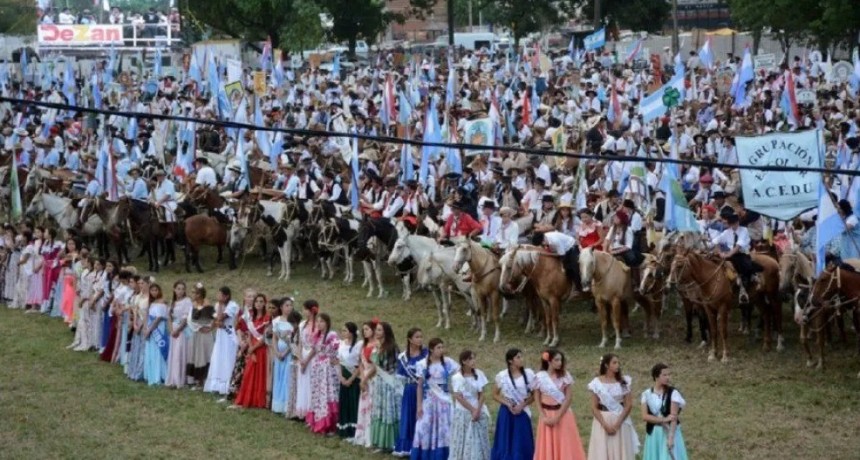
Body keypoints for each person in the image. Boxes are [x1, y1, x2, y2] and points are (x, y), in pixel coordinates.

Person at [411, 337, 460, 459]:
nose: (441, 350)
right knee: (425, 427)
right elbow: (420, 387)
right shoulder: (422, 364)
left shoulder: (448, 362)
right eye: (439, 347)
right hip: (429, 402)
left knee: (444, 428)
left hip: (444, 401)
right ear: (431, 349)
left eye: (442, 347)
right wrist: (419, 406)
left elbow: (460, 374)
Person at [533, 349, 587, 460]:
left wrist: (557, 417)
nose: (560, 363)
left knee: (564, 442)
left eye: (561, 360)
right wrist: (543, 416)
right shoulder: (539, 377)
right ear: (549, 361)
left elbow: (568, 398)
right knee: (547, 443)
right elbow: (537, 397)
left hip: (562, 415)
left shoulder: (565, 376)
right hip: (546, 415)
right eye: (556, 360)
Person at [587, 353, 639, 460]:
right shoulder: (596, 383)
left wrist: (617, 424)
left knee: (621, 449)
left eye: (618, 363)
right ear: (606, 365)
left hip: (620, 420)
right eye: (614, 363)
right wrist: (605, 425)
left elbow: (628, 404)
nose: (617, 365)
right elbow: (594, 407)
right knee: (603, 450)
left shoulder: (624, 381)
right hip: (603, 420)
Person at [491, 348, 535, 460]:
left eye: (521, 357)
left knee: (521, 440)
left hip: (522, 412)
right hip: (507, 412)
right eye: (518, 357)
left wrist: (522, 405)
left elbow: (534, 395)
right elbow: (495, 395)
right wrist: (507, 404)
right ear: (510, 361)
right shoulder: (502, 376)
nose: (521, 359)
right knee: (505, 440)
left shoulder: (529, 374)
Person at [710, 211, 762, 302]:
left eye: (734, 223)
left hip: (742, 254)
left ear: (738, 222)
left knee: (744, 267)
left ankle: (744, 290)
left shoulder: (744, 230)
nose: (733, 225)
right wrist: (719, 252)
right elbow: (715, 241)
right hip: (729, 254)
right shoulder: (727, 232)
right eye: (731, 223)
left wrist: (728, 254)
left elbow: (738, 246)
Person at [641, 363, 688, 460]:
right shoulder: (646, 394)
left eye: (669, 374)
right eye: (664, 375)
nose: (668, 377)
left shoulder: (673, 393)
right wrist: (663, 419)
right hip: (654, 434)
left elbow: (673, 418)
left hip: (669, 432)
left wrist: (671, 438)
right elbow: (645, 416)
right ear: (656, 376)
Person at [450, 349, 490, 460]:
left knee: (479, 439)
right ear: (464, 361)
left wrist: (478, 409)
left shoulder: (479, 373)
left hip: (478, 410)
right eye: (470, 359)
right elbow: (458, 396)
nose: (473, 361)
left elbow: (482, 394)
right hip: (463, 412)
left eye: (474, 358)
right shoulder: (457, 377)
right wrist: (472, 410)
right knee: (463, 439)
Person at [233, 294, 272, 409]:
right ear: (254, 304)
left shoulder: (267, 318)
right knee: (249, 373)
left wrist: (253, 349)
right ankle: (246, 399)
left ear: (265, 303)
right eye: (257, 301)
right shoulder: (251, 317)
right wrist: (251, 349)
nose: (259, 304)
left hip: (262, 349)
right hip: (253, 348)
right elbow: (250, 334)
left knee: (260, 374)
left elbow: (265, 337)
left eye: (261, 301)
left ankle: (258, 400)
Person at [394, 327, 428, 457]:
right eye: (417, 337)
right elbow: (400, 377)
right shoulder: (403, 357)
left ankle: (421, 446)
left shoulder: (426, 354)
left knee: (422, 417)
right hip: (409, 390)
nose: (420, 339)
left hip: (423, 390)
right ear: (410, 339)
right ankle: (408, 447)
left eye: (421, 337)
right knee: (409, 417)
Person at [304, 312, 340, 432]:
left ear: (327, 323)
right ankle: (317, 419)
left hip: (328, 370)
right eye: (318, 322)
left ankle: (329, 423)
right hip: (318, 369)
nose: (319, 324)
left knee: (328, 393)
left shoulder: (332, 335)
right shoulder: (317, 336)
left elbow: (335, 351)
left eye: (322, 322)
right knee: (318, 394)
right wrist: (306, 361)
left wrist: (329, 360)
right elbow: (314, 350)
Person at [371, 321, 402, 452]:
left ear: (386, 332)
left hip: (389, 384)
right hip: (379, 382)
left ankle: (390, 443)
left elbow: (389, 367)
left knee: (389, 411)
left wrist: (378, 352)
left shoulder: (391, 347)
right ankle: (380, 441)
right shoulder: (377, 345)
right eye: (376, 330)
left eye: (379, 330)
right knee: (380, 410)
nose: (376, 332)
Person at [204, 286, 240, 396]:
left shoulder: (232, 305)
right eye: (218, 294)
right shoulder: (217, 305)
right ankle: (216, 384)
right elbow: (216, 321)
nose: (218, 297)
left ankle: (228, 384)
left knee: (227, 357)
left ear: (226, 296)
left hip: (229, 334)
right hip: (220, 334)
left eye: (220, 295)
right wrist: (213, 325)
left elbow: (220, 317)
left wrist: (219, 307)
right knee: (218, 357)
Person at [353, 320, 379, 447]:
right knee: (364, 405)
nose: (365, 331)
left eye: (367, 329)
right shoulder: (364, 344)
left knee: (372, 405)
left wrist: (365, 378)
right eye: (363, 329)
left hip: (373, 378)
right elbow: (361, 363)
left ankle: (372, 435)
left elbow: (376, 366)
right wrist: (362, 378)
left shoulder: (377, 345)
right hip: (365, 377)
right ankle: (362, 434)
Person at [186, 283, 215, 389]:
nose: (193, 294)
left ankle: (204, 380)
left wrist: (210, 327)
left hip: (204, 335)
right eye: (193, 292)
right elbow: (189, 320)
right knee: (195, 355)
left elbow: (210, 319)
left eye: (195, 293)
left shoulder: (207, 304)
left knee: (204, 355)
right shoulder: (192, 304)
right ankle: (196, 380)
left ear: (200, 294)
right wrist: (197, 327)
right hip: (195, 333)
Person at [336, 322, 363, 439]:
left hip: (354, 378)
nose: (343, 333)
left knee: (353, 402)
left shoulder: (358, 346)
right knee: (344, 402)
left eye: (345, 331)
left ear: (351, 332)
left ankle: (353, 429)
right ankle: (344, 428)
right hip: (344, 376)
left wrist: (351, 379)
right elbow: (339, 362)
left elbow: (359, 365)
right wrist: (341, 377)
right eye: (342, 331)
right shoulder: (341, 344)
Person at [295, 299, 320, 418]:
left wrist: (306, 360)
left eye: (305, 309)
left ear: (311, 311)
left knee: (311, 382)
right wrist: (300, 357)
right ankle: (302, 410)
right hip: (303, 354)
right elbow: (299, 342)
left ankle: (311, 411)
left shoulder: (317, 326)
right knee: (302, 382)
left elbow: (316, 346)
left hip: (312, 356)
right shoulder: (302, 324)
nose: (303, 311)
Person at [165, 281, 192, 388]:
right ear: (174, 289)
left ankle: (179, 378)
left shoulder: (187, 301)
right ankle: (172, 377)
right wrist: (172, 330)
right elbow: (170, 318)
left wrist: (178, 330)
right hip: (174, 330)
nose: (180, 291)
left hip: (182, 330)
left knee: (179, 353)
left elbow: (186, 318)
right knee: (173, 353)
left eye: (182, 289)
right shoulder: (173, 302)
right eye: (178, 288)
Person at [271, 298, 296, 415]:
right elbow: (275, 338)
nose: (289, 307)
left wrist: (285, 352)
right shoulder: (276, 321)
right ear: (281, 307)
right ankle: (278, 404)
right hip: (278, 354)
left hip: (289, 354)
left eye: (291, 305)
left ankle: (287, 405)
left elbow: (294, 340)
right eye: (286, 305)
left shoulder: (294, 322)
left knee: (287, 378)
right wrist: (276, 352)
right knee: (279, 377)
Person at [143, 283, 169, 386]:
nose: (154, 292)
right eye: (152, 290)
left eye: (156, 290)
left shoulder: (162, 302)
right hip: (150, 327)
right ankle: (151, 374)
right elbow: (147, 316)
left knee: (158, 351)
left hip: (158, 329)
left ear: (159, 291)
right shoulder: (152, 303)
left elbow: (158, 318)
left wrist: (149, 330)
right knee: (150, 351)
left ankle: (159, 375)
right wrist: (146, 328)